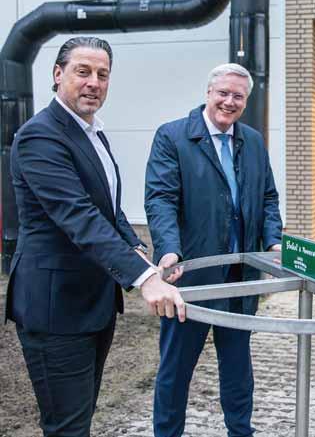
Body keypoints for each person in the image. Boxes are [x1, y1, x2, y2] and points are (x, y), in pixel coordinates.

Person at [5, 36, 185, 437]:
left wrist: (137, 251)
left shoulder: (92, 132)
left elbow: (107, 206)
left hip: (93, 303)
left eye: (103, 75)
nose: (94, 83)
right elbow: (78, 216)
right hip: (55, 308)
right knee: (67, 428)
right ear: (58, 74)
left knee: (81, 418)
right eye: (82, 71)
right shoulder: (40, 136)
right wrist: (144, 279)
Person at [145, 62, 282, 437]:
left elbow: (268, 197)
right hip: (191, 278)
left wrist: (273, 240)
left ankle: (240, 431)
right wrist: (169, 250)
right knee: (175, 371)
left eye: (238, 96)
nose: (229, 102)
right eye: (223, 93)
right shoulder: (173, 136)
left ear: (246, 100)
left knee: (238, 370)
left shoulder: (252, 140)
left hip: (241, 279)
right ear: (208, 93)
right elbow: (160, 199)